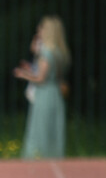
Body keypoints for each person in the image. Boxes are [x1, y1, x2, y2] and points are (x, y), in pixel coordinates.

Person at [14, 16, 69, 160]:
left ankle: (36, 159)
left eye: (42, 28)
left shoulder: (47, 53)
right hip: (55, 93)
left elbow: (41, 78)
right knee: (52, 130)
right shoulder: (60, 53)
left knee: (40, 129)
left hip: (44, 95)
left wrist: (23, 74)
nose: (39, 30)